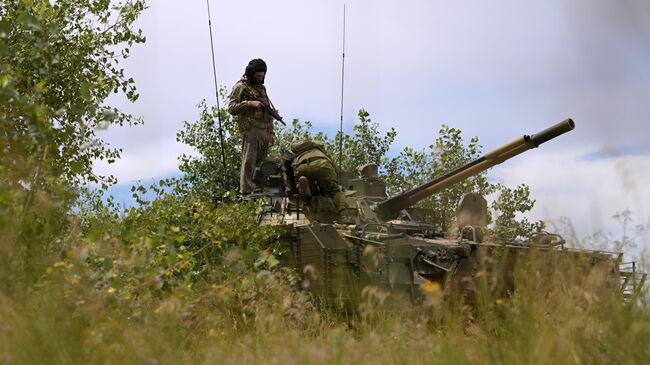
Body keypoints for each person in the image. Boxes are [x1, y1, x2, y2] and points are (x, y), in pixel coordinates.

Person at [227, 58, 276, 194]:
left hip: (263, 130)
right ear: (251, 73)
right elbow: (231, 108)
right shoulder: (240, 87)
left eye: (263, 76)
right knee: (249, 161)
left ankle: (260, 190)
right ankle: (247, 192)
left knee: (263, 164)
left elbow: (268, 112)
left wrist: (271, 132)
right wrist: (249, 104)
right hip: (250, 129)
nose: (261, 78)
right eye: (258, 76)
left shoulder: (262, 89)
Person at [289, 139, 346, 213]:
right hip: (321, 164)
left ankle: (307, 193)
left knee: (308, 185)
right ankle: (343, 213)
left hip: (301, 166)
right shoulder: (320, 150)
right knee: (334, 191)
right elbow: (332, 166)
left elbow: (288, 168)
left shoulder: (298, 152)